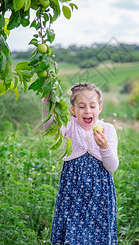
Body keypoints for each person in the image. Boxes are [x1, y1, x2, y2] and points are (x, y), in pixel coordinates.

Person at [42, 82, 119, 245]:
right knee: (72, 235)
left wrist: (104, 147)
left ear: (100, 108)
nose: (87, 111)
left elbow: (111, 167)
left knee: (98, 236)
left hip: (100, 197)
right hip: (73, 193)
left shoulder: (108, 129)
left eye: (92, 106)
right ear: (73, 110)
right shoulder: (69, 125)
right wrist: (47, 102)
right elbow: (50, 127)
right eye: (81, 106)